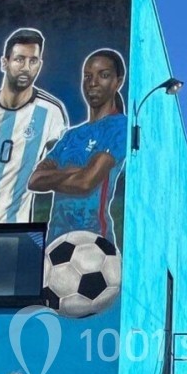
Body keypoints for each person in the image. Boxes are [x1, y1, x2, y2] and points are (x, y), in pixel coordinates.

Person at [0, 28, 69, 225]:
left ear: (40, 65)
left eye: (33, 61)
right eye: (19, 59)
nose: (26, 67)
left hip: (16, 232)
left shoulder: (51, 112)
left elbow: (64, 163)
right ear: (4, 62)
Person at [27, 48, 127, 242]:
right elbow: (35, 180)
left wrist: (56, 176)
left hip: (93, 240)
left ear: (118, 82)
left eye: (103, 75)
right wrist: (74, 171)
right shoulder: (71, 136)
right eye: (87, 76)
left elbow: (85, 183)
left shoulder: (120, 127)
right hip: (55, 241)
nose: (93, 83)